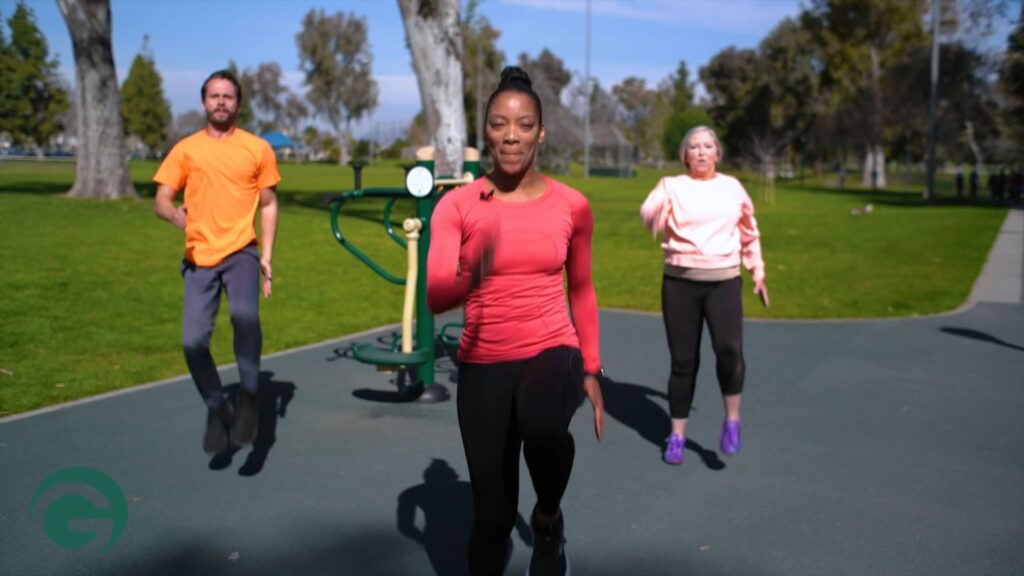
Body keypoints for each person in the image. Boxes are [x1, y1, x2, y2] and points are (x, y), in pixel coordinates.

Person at [427, 66, 604, 576]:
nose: (511, 135)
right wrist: (480, 262)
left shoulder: (573, 205)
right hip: (484, 361)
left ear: (541, 131)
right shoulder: (456, 206)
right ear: (485, 131)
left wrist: (590, 367)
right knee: (491, 520)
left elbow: (582, 288)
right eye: (499, 124)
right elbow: (438, 295)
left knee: (543, 426)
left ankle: (548, 518)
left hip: (553, 347)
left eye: (524, 124)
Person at [153, 70, 279, 456]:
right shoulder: (186, 149)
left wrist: (267, 257)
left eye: (228, 96)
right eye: (214, 96)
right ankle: (217, 406)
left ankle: (251, 395)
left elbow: (270, 204)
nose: (221, 102)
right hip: (198, 257)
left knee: (245, 319)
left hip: (241, 251)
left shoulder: (257, 148)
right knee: (192, 343)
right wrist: (175, 215)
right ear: (204, 102)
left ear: (238, 104)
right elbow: (161, 198)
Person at [640, 125, 768, 466]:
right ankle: (677, 436)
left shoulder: (732, 188)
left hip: (724, 281)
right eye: (693, 146)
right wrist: (653, 215)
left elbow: (749, 232)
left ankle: (732, 421)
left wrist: (757, 271)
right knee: (683, 362)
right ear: (685, 155)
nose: (700, 151)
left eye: (707, 145)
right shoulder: (671, 186)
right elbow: (648, 210)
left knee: (729, 351)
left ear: (717, 153)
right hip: (680, 283)